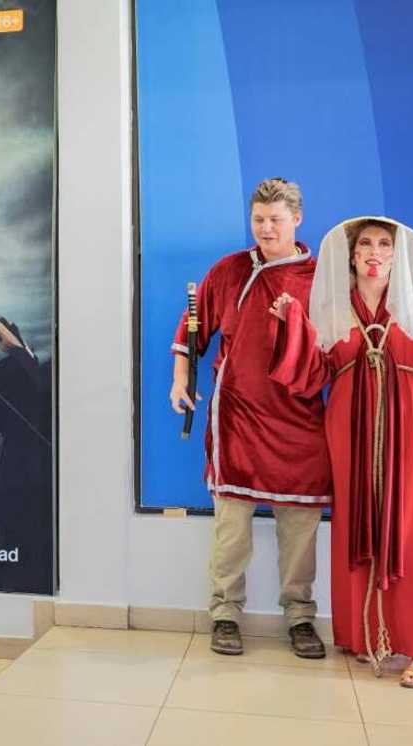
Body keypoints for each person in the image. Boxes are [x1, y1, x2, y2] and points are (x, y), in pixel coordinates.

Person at [269, 217, 413, 688]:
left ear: (397, 254)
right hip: (349, 424)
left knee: (410, 528)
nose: (374, 251)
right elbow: (312, 372)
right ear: (351, 255)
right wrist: (291, 325)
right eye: (366, 243)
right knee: (357, 523)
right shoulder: (334, 309)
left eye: (384, 244)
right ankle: (368, 634)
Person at [169, 178, 331, 658]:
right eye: (258, 219)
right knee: (232, 524)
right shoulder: (231, 269)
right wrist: (181, 378)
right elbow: (191, 328)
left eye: (275, 220)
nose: (265, 228)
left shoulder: (321, 278)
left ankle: (300, 616)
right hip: (238, 414)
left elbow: (335, 350)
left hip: (300, 419)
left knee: (300, 527)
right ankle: (224, 613)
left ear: (297, 219)